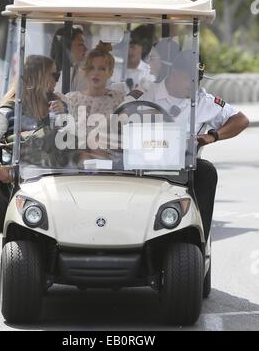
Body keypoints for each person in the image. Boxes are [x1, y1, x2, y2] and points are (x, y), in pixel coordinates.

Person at [126, 50, 249, 241]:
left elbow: (241, 120)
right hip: (139, 164)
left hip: (183, 168)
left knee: (207, 171)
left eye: (198, 80)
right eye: (190, 79)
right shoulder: (146, 94)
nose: (195, 85)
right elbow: (118, 118)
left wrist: (213, 135)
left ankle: (198, 239)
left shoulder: (203, 101)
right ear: (174, 73)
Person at [0, 55, 68, 185]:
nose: (57, 80)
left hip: (60, 176)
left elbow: (75, 139)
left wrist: (65, 114)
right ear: (38, 77)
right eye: (54, 75)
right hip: (24, 181)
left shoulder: (60, 102)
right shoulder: (10, 110)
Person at [66, 42, 124, 161]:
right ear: (86, 71)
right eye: (91, 68)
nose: (96, 73)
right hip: (77, 159)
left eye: (102, 69)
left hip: (109, 159)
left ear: (110, 72)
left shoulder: (118, 99)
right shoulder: (72, 99)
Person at [51, 26, 88, 92]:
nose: (86, 49)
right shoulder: (80, 75)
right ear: (66, 47)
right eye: (80, 44)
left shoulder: (79, 72)